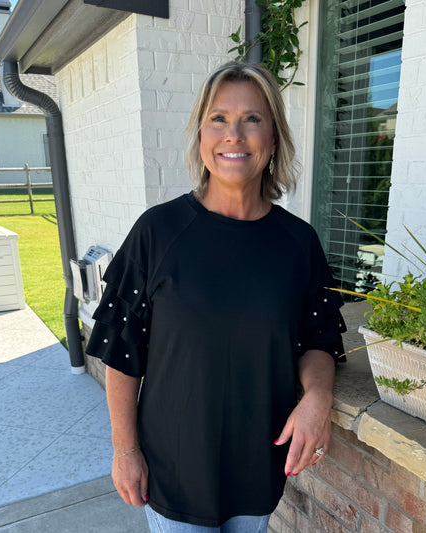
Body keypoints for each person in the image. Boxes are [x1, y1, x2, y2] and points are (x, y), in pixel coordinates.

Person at [86, 61, 346, 533]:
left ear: (273, 138)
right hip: (173, 473)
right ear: (201, 134)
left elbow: (318, 340)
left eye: (252, 118)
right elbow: (122, 355)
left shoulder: (298, 243)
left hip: (258, 468)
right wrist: (125, 451)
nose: (234, 134)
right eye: (219, 118)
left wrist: (318, 397)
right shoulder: (158, 232)